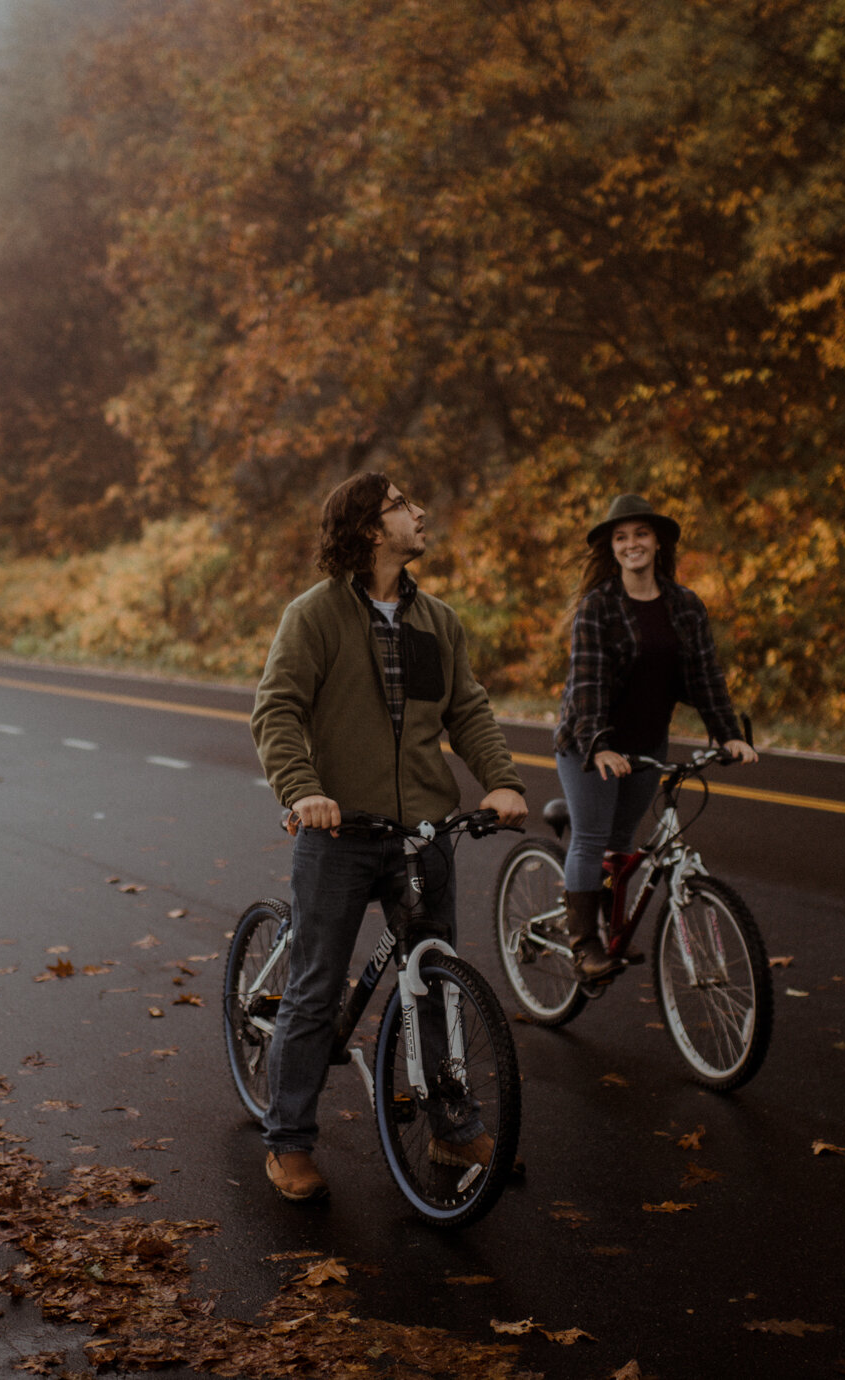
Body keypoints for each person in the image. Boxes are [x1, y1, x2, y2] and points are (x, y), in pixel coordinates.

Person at [251, 471, 528, 1203]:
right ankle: (289, 1142)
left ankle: (450, 1122)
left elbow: (466, 709)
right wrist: (304, 791)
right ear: (372, 530)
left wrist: (501, 780)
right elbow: (277, 711)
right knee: (315, 991)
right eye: (404, 505)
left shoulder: (435, 619)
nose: (420, 512)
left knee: (432, 985)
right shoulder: (313, 617)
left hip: (424, 834)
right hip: (339, 832)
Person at [553, 493, 756, 978]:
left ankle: (613, 929)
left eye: (640, 534)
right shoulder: (598, 607)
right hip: (588, 741)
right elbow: (588, 684)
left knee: (622, 841)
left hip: (647, 743)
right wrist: (600, 744)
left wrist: (728, 735)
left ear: (659, 542)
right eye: (621, 538)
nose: (631, 544)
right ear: (613, 548)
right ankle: (584, 945)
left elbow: (706, 675)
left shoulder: (685, 606)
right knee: (592, 837)